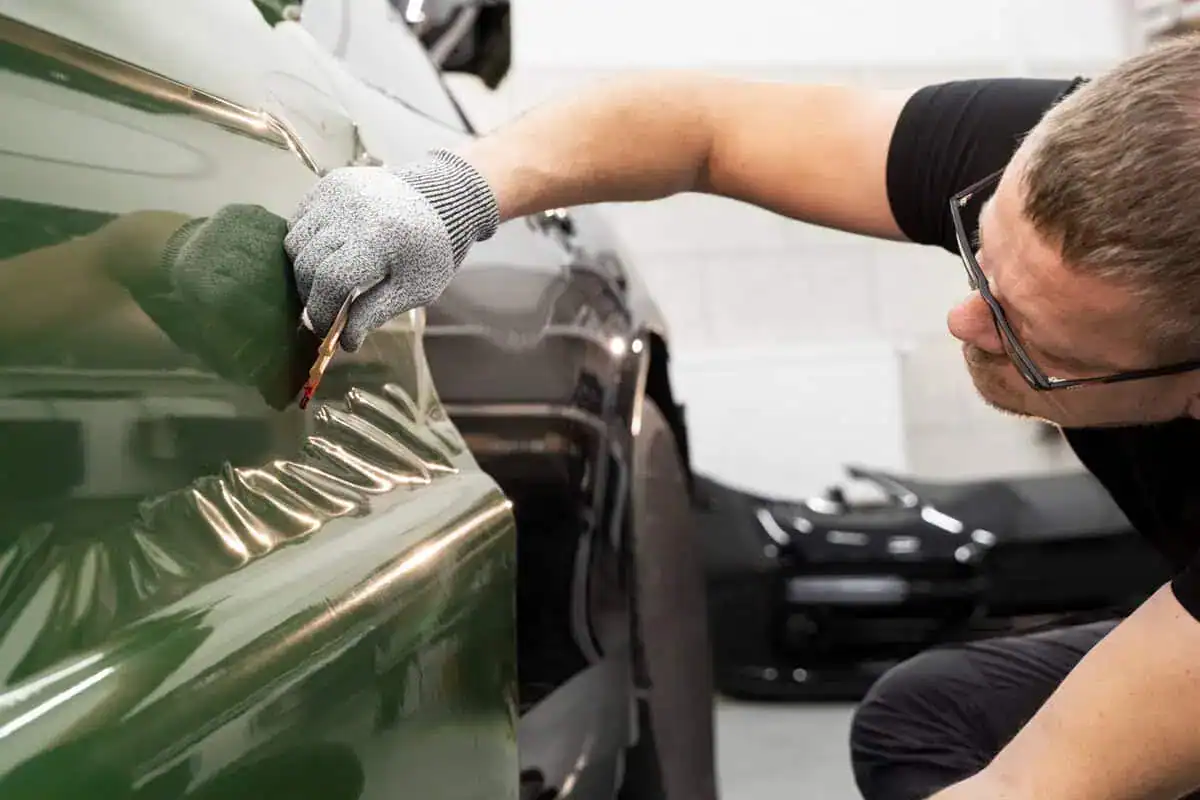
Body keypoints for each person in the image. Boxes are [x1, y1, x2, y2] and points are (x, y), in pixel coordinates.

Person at [285, 31, 1200, 800]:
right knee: (929, 719)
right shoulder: (1104, 160)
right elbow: (706, 128)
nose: (963, 321)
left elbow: (1022, 790)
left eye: (1029, 338)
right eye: (979, 255)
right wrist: (452, 191)